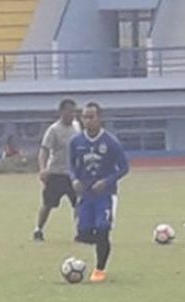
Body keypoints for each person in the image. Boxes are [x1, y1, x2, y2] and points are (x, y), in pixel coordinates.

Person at [70, 102, 129, 283]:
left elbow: (124, 168)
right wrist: (74, 179)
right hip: (86, 196)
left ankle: (99, 269)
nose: (88, 120)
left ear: (99, 118)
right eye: (84, 117)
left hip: (105, 195)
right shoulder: (76, 142)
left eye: (91, 117)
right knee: (83, 234)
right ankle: (102, 247)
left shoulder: (111, 142)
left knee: (102, 229)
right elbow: (71, 165)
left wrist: (107, 181)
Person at [32, 98, 80, 241]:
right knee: (48, 204)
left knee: (78, 204)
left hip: (73, 174)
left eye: (74, 111)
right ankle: (38, 229)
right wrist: (43, 169)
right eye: (69, 111)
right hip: (56, 173)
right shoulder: (54, 130)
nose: (72, 114)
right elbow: (44, 150)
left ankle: (80, 232)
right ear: (62, 112)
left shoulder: (77, 127)